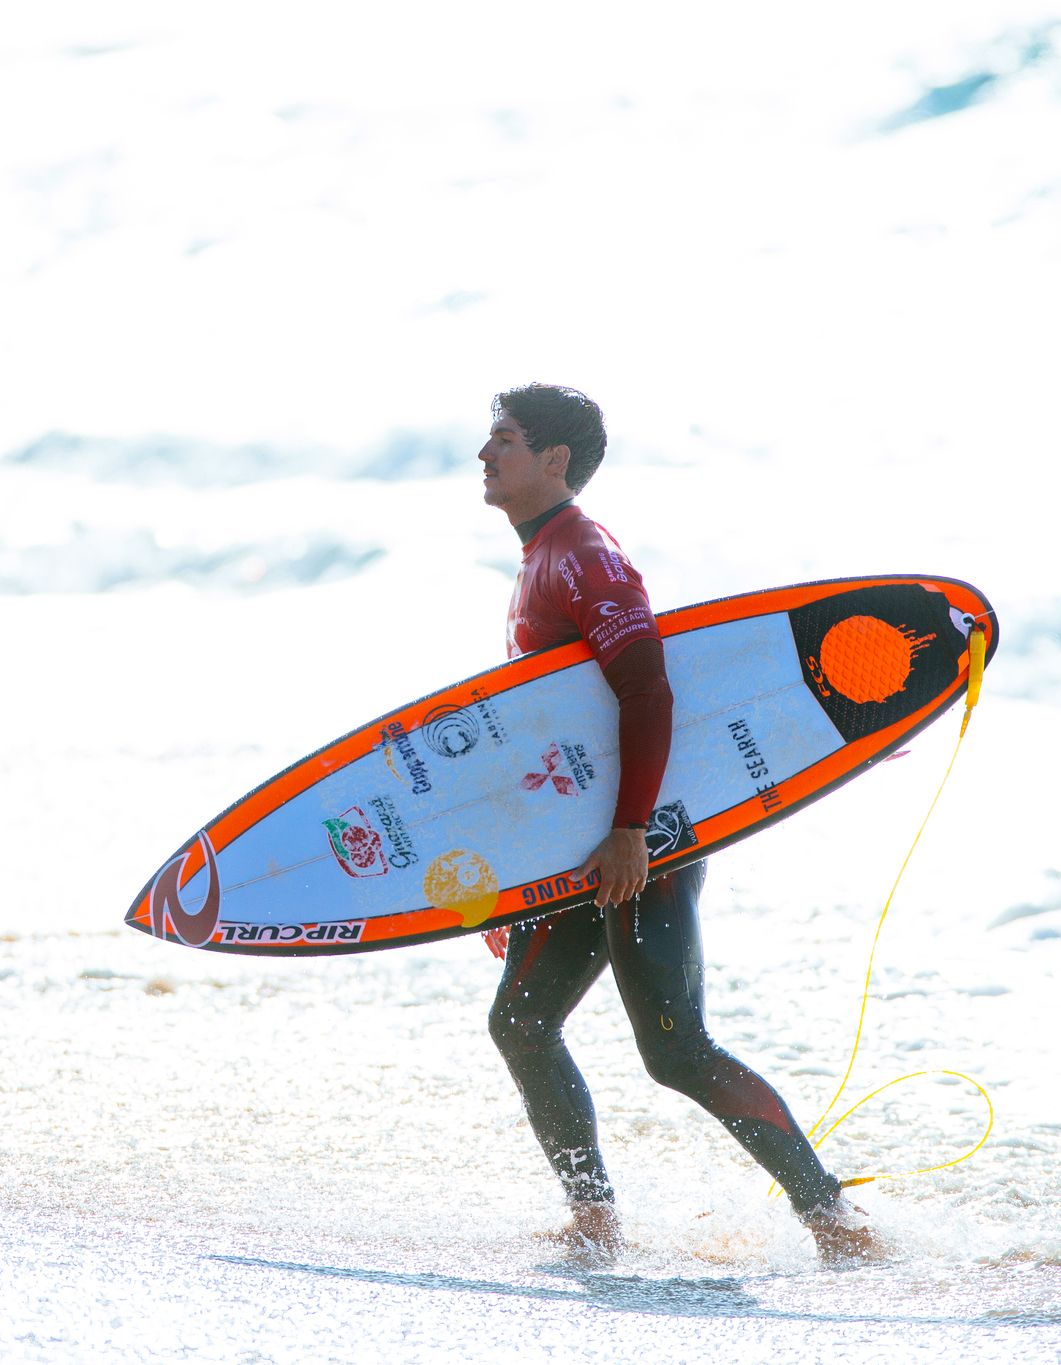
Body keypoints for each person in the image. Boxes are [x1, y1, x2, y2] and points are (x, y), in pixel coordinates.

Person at [478, 383, 884, 1263]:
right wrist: (521, 877)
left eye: (502, 440)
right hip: (589, 843)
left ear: (553, 460)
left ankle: (837, 1223)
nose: (484, 454)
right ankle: (594, 1218)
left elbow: (647, 690)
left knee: (676, 1049)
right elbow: (559, 729)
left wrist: (629, 832)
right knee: (519, 1022)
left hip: (641, 844)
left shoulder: (584, 556)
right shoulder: (539, 554)